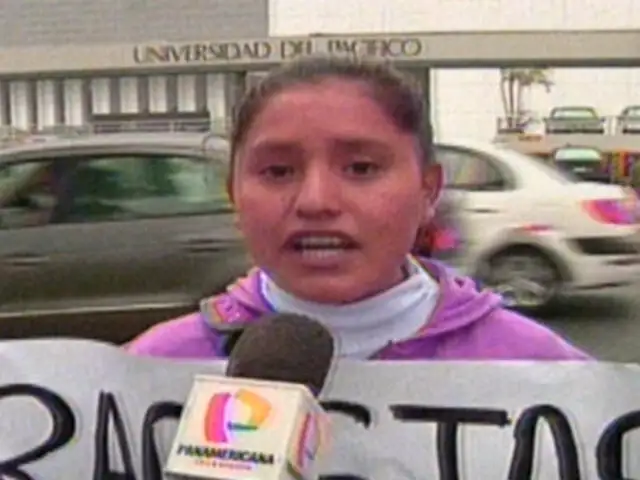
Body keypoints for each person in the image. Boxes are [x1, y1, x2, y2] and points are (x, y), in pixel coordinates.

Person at [126, 55, 589, 361]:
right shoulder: (153, 371)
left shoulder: (540, 370)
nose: (316, 202)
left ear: (429, 190)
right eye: (278, 172)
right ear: (233, 194)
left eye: (362, 168)